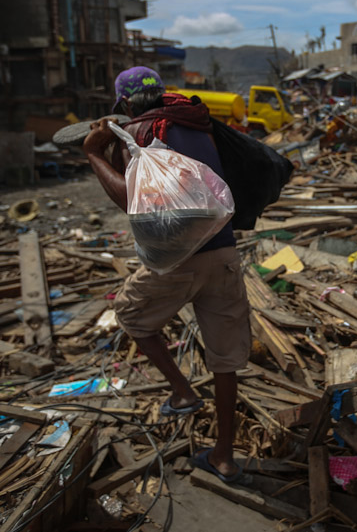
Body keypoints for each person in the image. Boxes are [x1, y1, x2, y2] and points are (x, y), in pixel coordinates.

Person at [82, 66, 251, 483]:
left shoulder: (139, 132)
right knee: (225, 360)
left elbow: (132, 201)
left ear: (122, 104)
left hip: (178, 258)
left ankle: (182, 391)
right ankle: (224, 457)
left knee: (132, 315)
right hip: (224, 249)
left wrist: (92, 154)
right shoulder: (199, 124)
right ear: (164, 94)